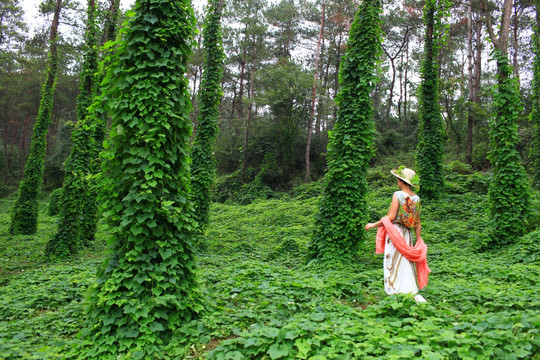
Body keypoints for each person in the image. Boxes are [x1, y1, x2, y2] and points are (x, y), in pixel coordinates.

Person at [364, 167, 429, 302]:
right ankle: (410, 289)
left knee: (392, 260)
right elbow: (417, 222)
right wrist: (418, 239)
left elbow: (391, 217)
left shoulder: (398, 195)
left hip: (396, 232)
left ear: (401, 181)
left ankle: (394, 290)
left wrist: (374, 224)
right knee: (406, 261)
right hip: (408, 234)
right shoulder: (416, 198)